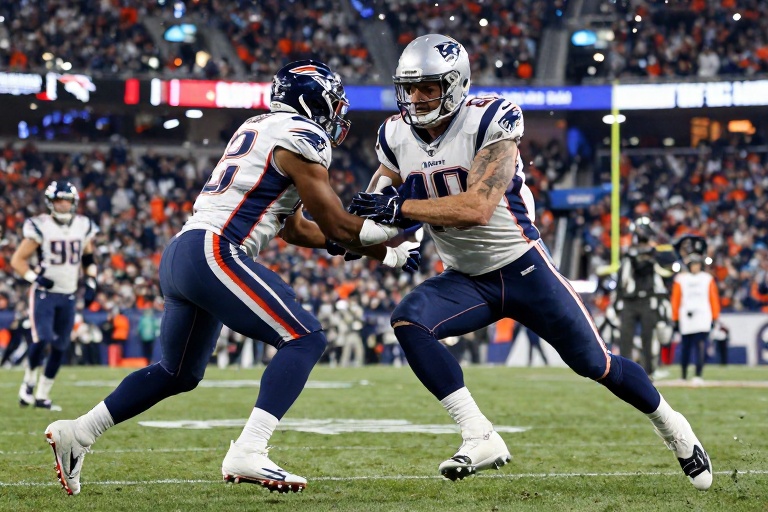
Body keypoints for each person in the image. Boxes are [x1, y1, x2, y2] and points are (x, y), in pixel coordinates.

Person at [350, 34, 712, 490]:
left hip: (523, 269)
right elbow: (376, 208)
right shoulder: (394, 135)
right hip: (466, 278)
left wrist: (399, 209)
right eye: (410, 88)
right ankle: (479, 434)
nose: (417, 98)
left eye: (429, 87)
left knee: (595, 363)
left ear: (456, 84)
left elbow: (477, 207)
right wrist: (355, 235)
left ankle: (673, 426)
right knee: (409, 320)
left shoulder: (490, 120)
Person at [43, 59, 419, 496]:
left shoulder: (261, 127)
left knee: (179, 373)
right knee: (305, 338)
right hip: (214, 250)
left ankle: (79, 432)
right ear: (310, 99)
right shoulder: (303, 135)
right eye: (332, 102)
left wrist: (384, 253)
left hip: (185, 253)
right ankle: (249, 449)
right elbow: (336, 224)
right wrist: (399, 223)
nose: (337, 113)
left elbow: (297, 230)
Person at [11, 181, 99, 410]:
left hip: (69, 294)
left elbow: (88, 257)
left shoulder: (82, 225)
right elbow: (17, 260)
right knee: (43, 340)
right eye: (58, 200)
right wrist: (35, 278)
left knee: (61, 346)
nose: (62, 205)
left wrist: (91, 281)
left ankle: (42, 395)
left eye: (67, 200)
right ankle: (29, 382)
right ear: (50, 202)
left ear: (73, 202)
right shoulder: (40, 226)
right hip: (45, 294)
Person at [615, 217, 671, 376]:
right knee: (626, 338)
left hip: (647, 299)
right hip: (630, 301)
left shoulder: (654, 254)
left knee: (649, 337)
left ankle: (650, 370)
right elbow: (622, 279)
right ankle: (624, 372)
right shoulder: (630, 254)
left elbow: (666, 270)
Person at [671, 253, 720, 384]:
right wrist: (675, 317)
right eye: (692, 265)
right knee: (685, 347)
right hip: (686, 316)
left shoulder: (707, 278)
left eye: (697, 264)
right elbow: (676, 299)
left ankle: (698, 374)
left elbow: (713, 298)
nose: (695, 267)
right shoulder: (681, 279)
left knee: (700, 345)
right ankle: (683, 375)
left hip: (703, 315)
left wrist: (715, 316)